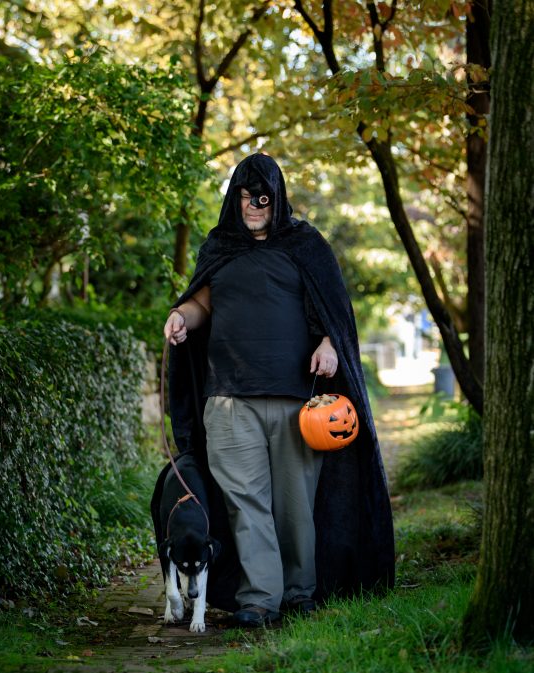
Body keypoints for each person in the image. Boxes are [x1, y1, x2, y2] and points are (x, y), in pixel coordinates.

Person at [159, 153, 394, 627]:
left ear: (277, 198)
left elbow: (334, 314)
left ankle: (300, 591)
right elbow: (202, 301)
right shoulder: (219, 247)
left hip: (297, 403)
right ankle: (259, 599)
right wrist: (181, 317)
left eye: (262, 198)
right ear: (235, 198)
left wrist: (329, 343)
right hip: (227, 400)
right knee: (245, 502)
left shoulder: (305, 245)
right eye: (246, 197)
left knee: (294, 504)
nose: (254, 206)